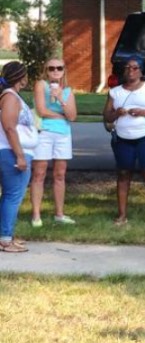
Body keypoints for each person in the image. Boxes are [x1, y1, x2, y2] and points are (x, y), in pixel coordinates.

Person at [103, 56, 145, 227]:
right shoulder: (115, 92)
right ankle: (122, 215)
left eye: (135, 68)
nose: (131, 71)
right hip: (123, 138)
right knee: (123, 174)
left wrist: (144, 112)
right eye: (127, 68)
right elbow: (107, 115)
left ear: (141, 71)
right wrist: (117, 113)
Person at [30, 58, 78, 227]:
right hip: (44, 132)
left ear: (64, 71)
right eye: (51, 68)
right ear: (46, 70)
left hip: (63, 135)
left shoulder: (68, 91)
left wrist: (61, 99)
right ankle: (36, 214)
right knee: (39, 173)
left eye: (59, 68)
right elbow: (42, 111)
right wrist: (61, 116)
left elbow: (72, 116)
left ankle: (59, 214)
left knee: (60, 174)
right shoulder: (40, 85)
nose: (55, 71)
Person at [0, 62, 37, 252]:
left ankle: (6, 235)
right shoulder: (10, 97)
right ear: (22, 77)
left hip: (12, 151)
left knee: (10, 196)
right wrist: (20, 156)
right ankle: (5, 240)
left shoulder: (12, 96)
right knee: (12, 196)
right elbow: (9, 127)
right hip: (10, 152)